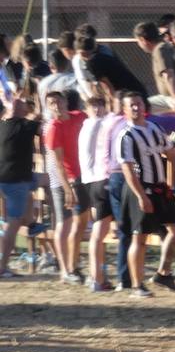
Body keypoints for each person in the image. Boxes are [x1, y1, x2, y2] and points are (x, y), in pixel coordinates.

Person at [117, 90, 175, 298]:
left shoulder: (154, 128)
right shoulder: (126, 136)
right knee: (139, 238)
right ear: (125, 110)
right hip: (140, 188)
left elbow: (172, 155)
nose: (136, 108)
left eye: (138, 103)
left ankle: (163, 273)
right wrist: (141, 196)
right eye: (131, 105)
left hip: (159, 187)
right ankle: (137, 286)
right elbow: (127, 169)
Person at [43, 89, 88, 283]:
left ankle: (73, 266)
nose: (56, 106)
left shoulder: (80, 117)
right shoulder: (53, 128)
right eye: (51, 103)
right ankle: (65, 269)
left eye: (58, 101)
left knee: (80, 223)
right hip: (63, 180)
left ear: (65, 101)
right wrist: (67, 188)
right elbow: (59, 163)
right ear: (48, 107)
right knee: (65, 223)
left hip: (82, 176)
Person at [78, 93, 116, 290]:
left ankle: (97, 276)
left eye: (100, 105)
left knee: (99, 231)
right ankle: (97, 278)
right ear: (87, 109)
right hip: (100, 180)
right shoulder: (99, 123)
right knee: (100, 233)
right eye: (93, 106)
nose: (97, 109)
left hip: (89, 181)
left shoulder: (84, 125)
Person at [0, 95, 39, 278]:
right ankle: (2, 266)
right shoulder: (19, 126)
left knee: (45, 180)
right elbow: (39, 116)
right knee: (13, 224)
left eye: (20, 102)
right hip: (15, 182)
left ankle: (31, 222)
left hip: (16, 179)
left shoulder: (14, 125)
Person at [75, 33, 147, 108]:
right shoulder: (100, 57)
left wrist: (112, 106)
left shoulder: (92, 62)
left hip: (130, 94)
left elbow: (108, 87)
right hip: (136, 93)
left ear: (82, 52)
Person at [133, 21, 175, 108]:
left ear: (143, 40)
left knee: (143, 107)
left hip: (171, 97)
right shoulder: (165, 46)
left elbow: (169, 75)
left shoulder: (159, 50)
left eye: (138, 41)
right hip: (170, 96)